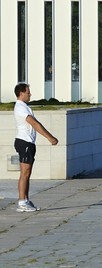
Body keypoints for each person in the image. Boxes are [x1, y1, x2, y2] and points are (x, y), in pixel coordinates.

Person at [12, 83, 59, 213]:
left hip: (28, 142)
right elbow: (34, 123)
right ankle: (22, 202)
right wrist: (50, 137)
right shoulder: (20, 107)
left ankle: (25, 200)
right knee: (25, 173)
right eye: (28, 92)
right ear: (21, 93)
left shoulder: (24, 107)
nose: (30, 94)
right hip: (24, 142)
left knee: (27, 174)